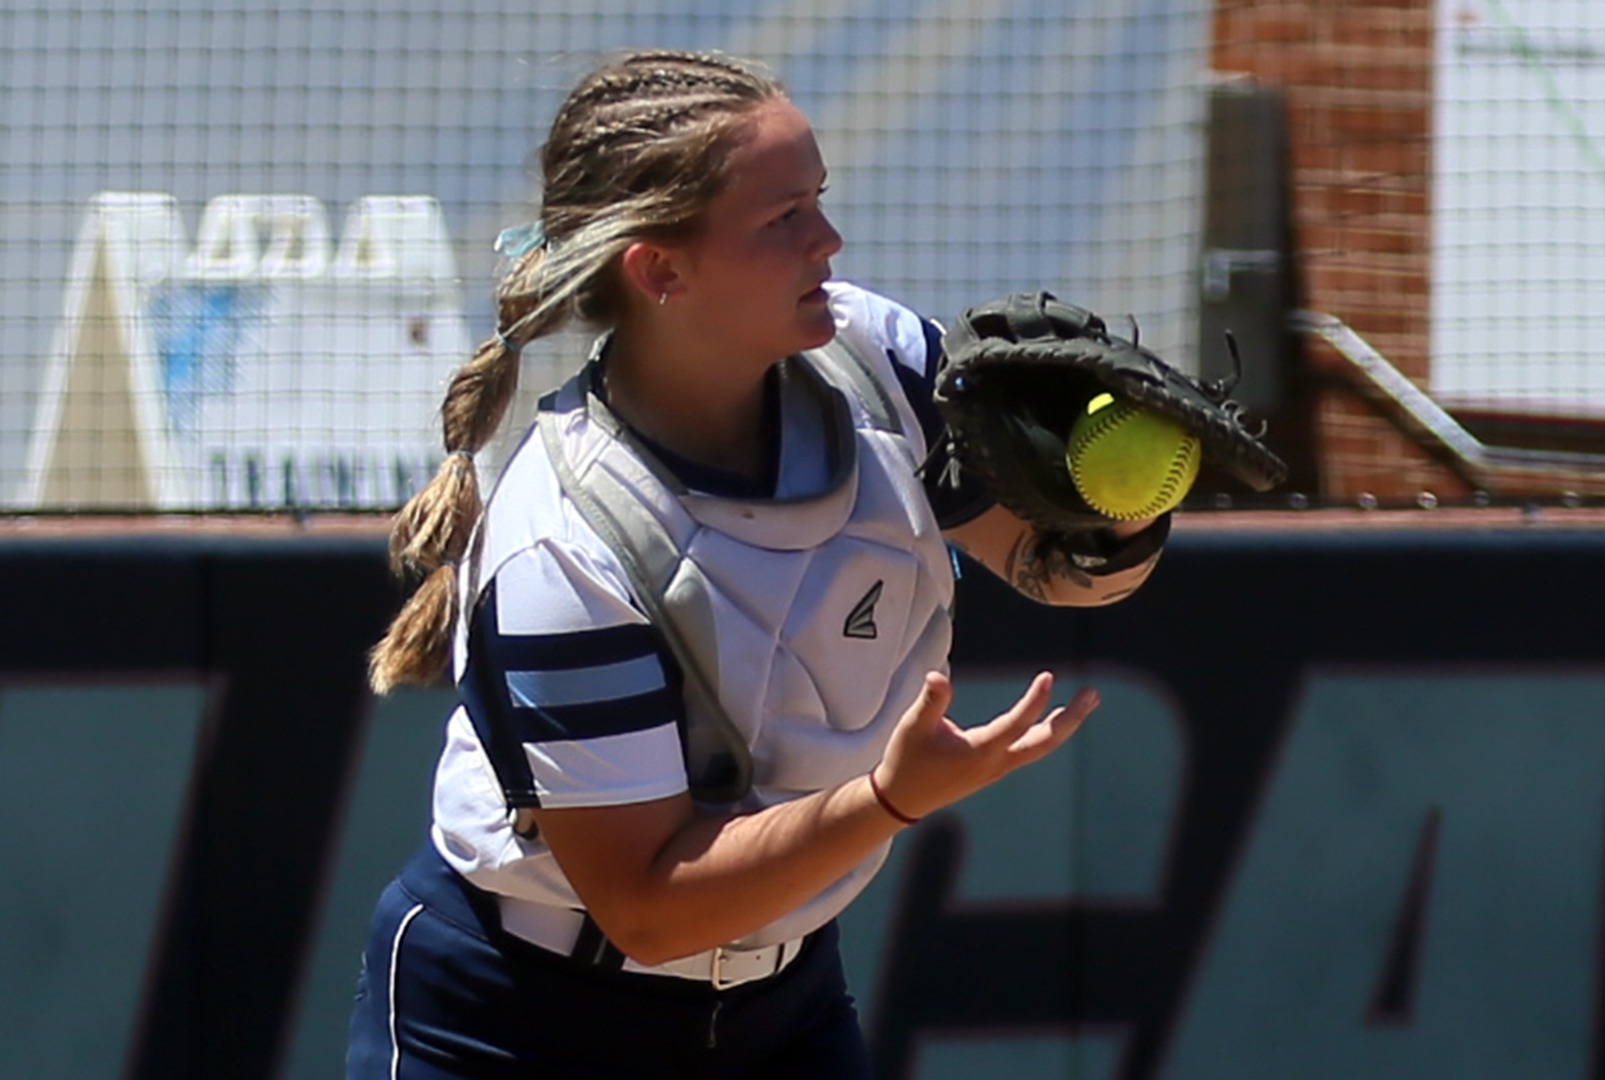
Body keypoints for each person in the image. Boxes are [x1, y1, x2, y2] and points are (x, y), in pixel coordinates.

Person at [347, 48, 1172, 1079]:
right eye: (783, 220)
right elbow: (650, 906)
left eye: (818, 201)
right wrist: (888, 799)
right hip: (526, 1020)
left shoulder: (867, 356)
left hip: (783, 1004)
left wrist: (1131, 501)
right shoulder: (565, 537)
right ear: (660, 270)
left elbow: (1060, 568)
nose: (828, 240)